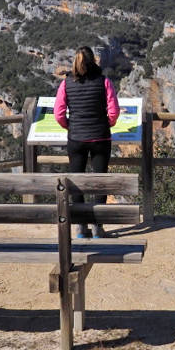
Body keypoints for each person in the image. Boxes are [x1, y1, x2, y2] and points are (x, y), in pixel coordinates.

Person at [53, 46, 120, 238]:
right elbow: (114, 111)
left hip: (76, 139)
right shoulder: (104, 81)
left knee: (76, 182)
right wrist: (107, 123)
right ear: (94, 61)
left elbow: (58, 114)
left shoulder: (66, 84)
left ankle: (81, 228)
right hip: (100, 138)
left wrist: (70, 126)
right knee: (100, 181)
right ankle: (98, 227)